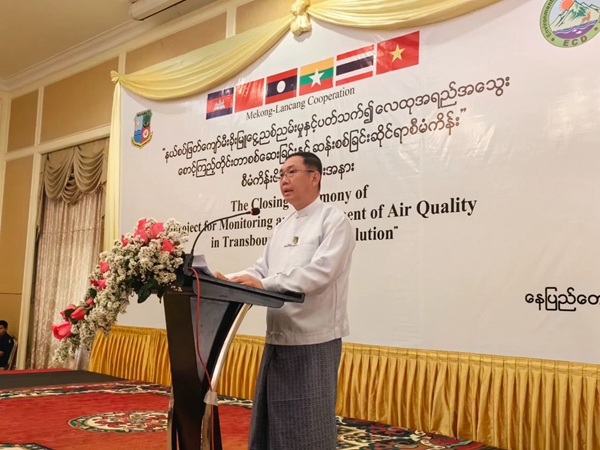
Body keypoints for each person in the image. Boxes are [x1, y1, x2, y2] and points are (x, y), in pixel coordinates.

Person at [215, 152, 356, 450]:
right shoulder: (282, 226)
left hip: (313, 339)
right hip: (279, 336)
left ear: (315, 177)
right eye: (281, 174)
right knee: (274, 422)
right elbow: (261, 270)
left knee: (307, 426)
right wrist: (225, 279)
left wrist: (265, 284)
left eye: (292, 172)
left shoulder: (334, 221)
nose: (284, 180)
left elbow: (320, 274)